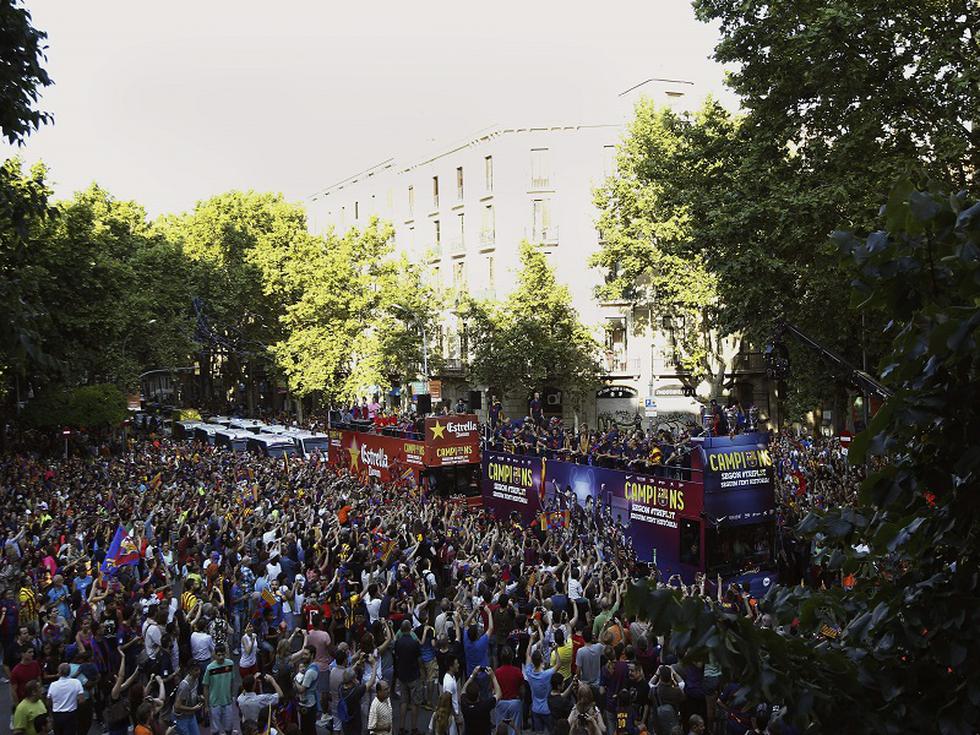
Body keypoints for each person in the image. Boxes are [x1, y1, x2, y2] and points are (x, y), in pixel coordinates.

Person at [524, 635, 558, 734]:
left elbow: (527, 656)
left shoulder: (529, 673)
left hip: (535, 708)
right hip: (546, 708)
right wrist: (556, 651)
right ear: (541, 660)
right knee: (551, 731)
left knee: (539, 732)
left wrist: (530, 642)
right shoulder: (546, 674)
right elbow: (558, 665)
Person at [202, 644, 236, 735]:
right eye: (219, 655)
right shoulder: (210, 668)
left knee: (229, 727)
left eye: (223, 654)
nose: (221, 657)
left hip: (227, 701)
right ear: (214, 655)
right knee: (215, 730)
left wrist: (232, 695)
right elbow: (205, 686)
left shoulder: (230, 664)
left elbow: (232, 681)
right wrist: (206, 705)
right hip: (214, 703)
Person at [47, 663, 83, 735]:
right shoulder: (76, 682)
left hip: (57, 715)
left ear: (59, 672)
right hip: (71, 714)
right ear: (69, 671)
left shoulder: (53, 685)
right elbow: (81, 700)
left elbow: (49, 701)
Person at [173, 664, 204, 735]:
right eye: (196, 670)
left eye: (199, 669)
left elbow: (192, 695)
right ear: (189, 671)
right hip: (181, 718)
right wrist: (193, 709)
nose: (199, 672)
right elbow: (177, 706)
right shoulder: (184, 686)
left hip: (191, 715)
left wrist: (199, 697)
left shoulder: (196, 679)